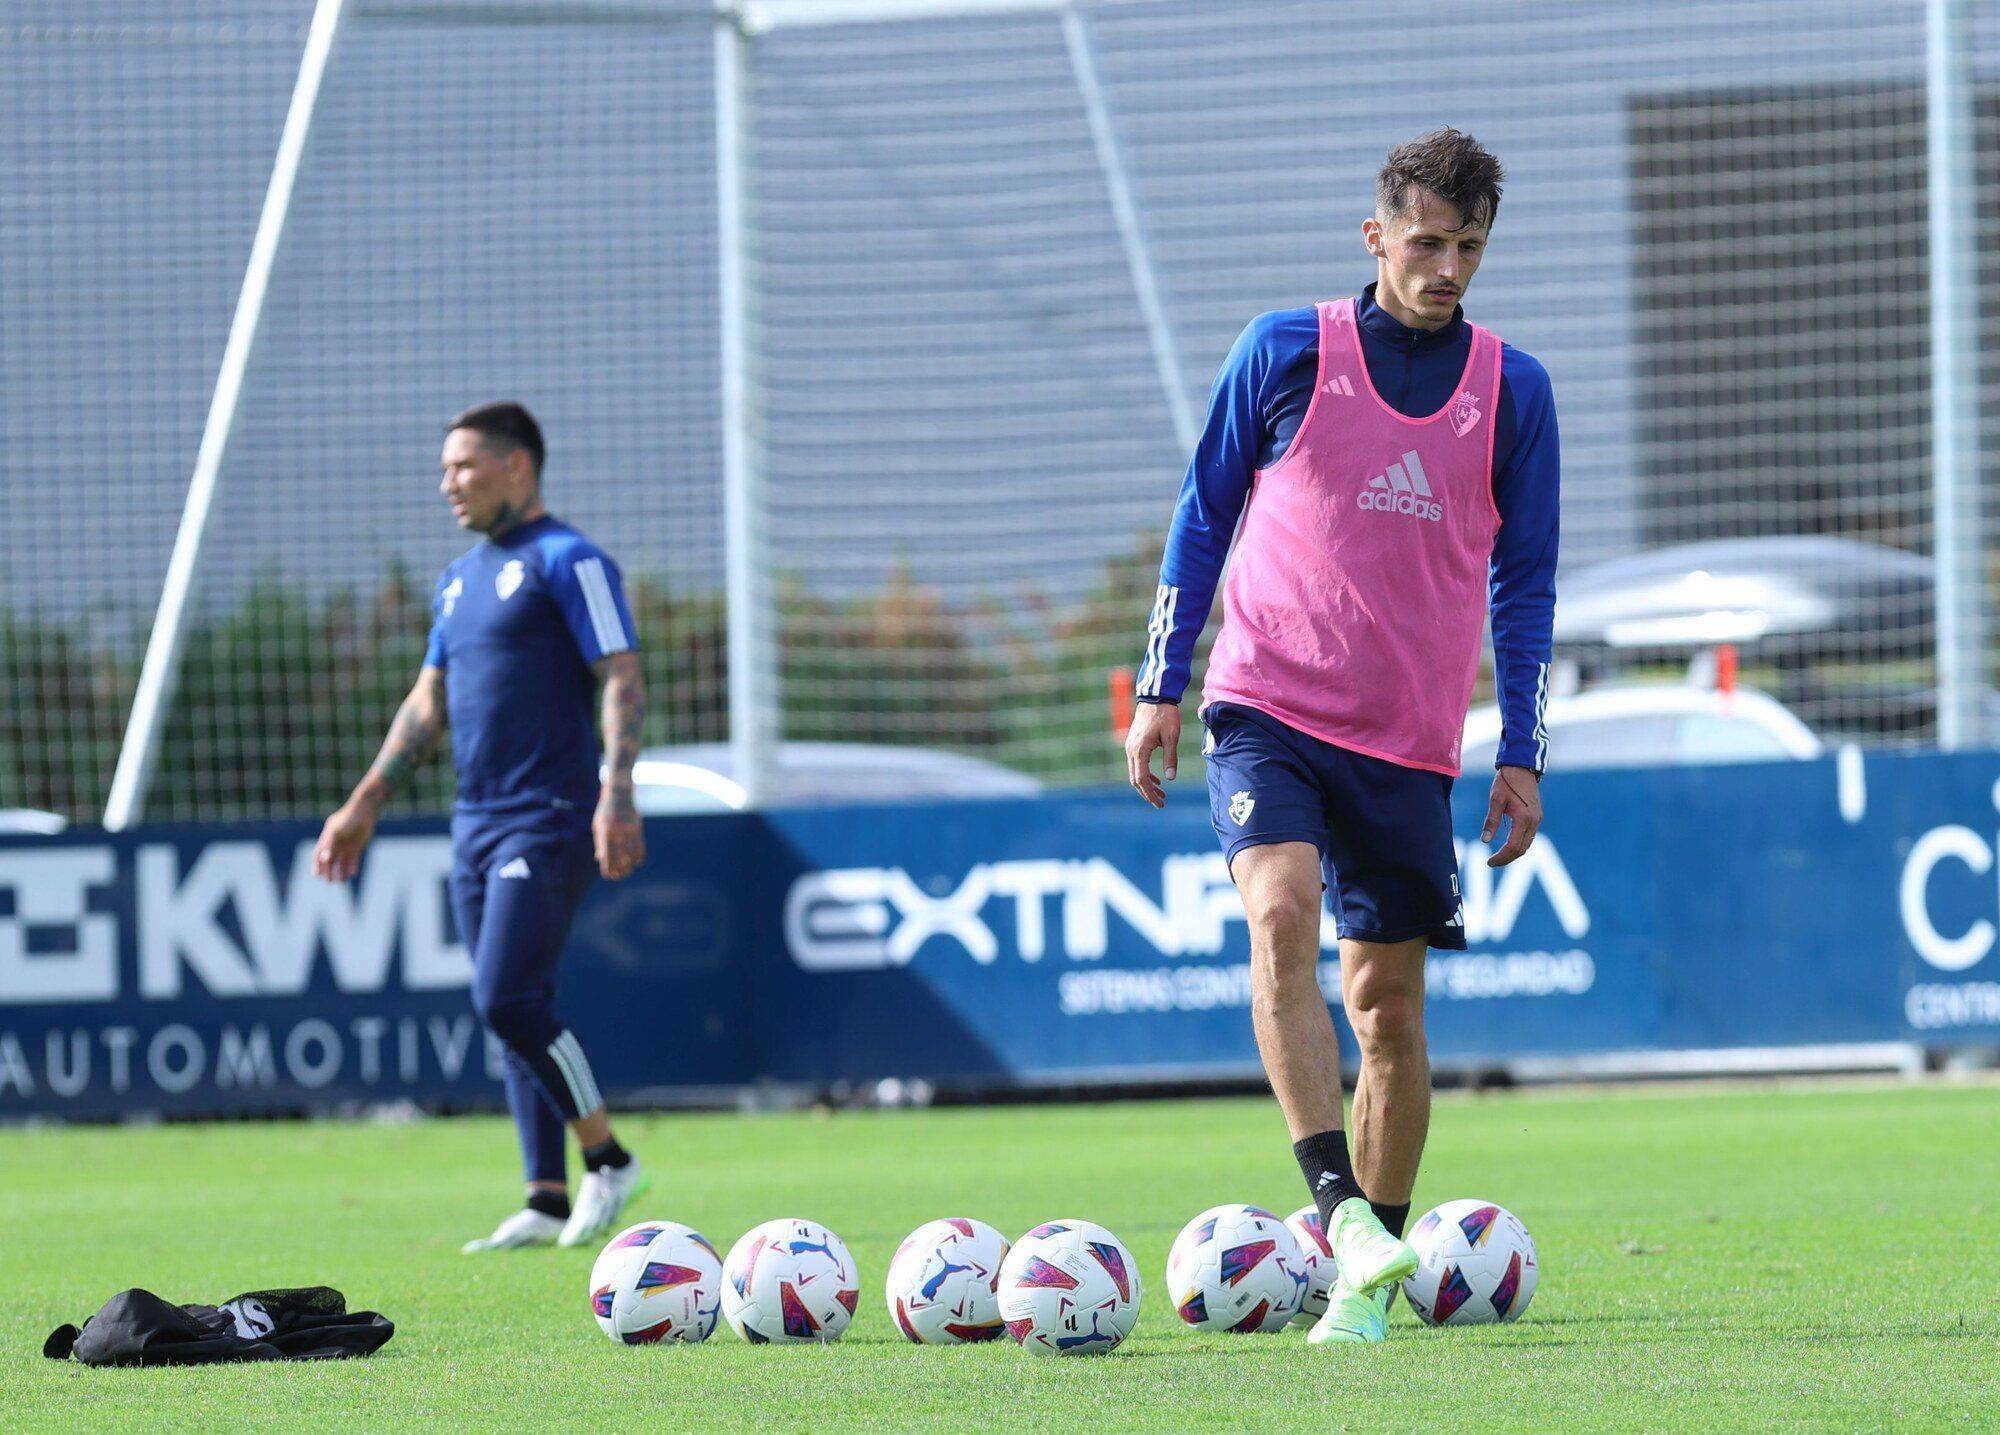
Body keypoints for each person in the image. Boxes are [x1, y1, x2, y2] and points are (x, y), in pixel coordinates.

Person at [1124, 130, 1558, 1343]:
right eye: (1425, 242)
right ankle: (1341, 1217)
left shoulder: (1511, 392)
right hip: (1264, 701)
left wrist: (1520, 745)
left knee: (1388, 1013)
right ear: (1375, 237)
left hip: (1407, 741)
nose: (1446, 267)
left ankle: (1368, 1270)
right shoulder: (1281, 351)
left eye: (1468, 246)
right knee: (1277, 915)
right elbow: (1200, 516)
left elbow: (1524, 583)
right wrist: (1161, 684)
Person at [314, 401, 651, 1252]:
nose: (447, 484)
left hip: (549, 816)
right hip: (475, 822)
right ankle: (543, 1196)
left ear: (517, 467)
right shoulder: (459, 579)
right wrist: (363, 802)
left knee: (505, 995)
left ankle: (607, 1157)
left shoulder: (570, 561)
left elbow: (620, 673)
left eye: (464, 467)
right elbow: (427, 703)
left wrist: (618, 790)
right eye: (445, 469)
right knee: (514, 1010)